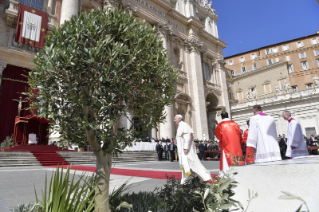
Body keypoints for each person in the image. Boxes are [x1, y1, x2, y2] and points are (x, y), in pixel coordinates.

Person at [174, 114, 212, 184]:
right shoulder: (180, 126)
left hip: (186, 150)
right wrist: (179, 152)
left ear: (179, 119)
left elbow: (187, 137)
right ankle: (187, 181)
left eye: (175, 119)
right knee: (184, 165)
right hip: (182, 151)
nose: (174, 120)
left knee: (190, 164)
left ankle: (200, 177)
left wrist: (186, 148)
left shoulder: (184, 125)